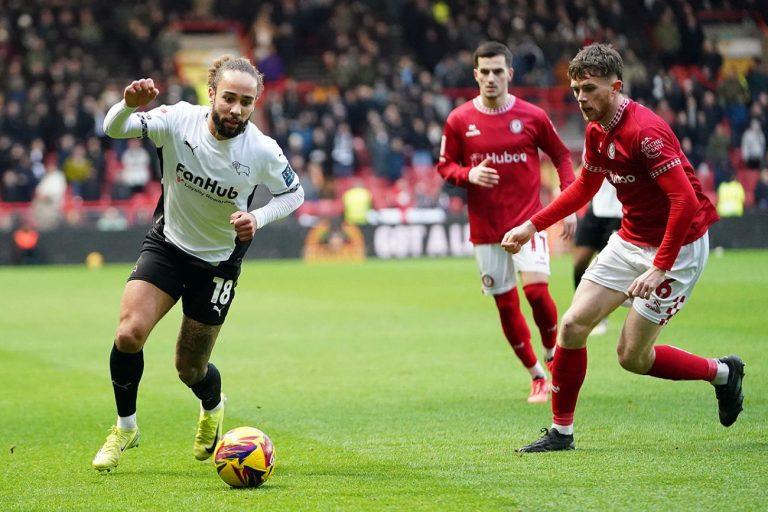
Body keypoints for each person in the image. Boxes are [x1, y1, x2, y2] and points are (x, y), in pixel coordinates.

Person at [502, 43, 744, 452]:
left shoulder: (645, 133)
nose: (581, 98)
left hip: (679, 247)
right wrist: (532, 226)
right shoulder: (597, 130)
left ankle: (722, 373)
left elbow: (685, 202)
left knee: (632, 357)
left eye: (589, 89)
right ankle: (562, 433)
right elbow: (584, 187)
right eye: (576, 90)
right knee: (572, 326)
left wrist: (660, 266)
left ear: (615, 87)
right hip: (631, 239)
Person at [92, 56, 304, 471]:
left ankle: (212, 405)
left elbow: (293, 193)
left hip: (218, 265)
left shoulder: (262, 149)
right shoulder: (177, 121)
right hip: (168, 246)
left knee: (189, 369)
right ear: (211, 94)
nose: (237, 109)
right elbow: (114, 128)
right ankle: (125, 427)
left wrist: (257, 218)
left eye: (247, 102)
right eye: (229, 98)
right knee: (129, 333)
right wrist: (127, 105)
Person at [437, 41, 577, 403]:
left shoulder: (532, 116)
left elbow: (562, 156)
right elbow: (445, 166)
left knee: (536, 292)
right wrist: (468, 175)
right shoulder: (459, 120)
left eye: (497, 71)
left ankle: (552, 353)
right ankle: (537, 376)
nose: (491, 78)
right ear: (475, 74)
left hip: (528, 222)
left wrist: (569, 202)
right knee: (506, 305)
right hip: (486, 231)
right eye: (484, 71)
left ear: (510, 74)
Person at [572, 179, 622, 336]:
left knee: (603, 267)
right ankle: (579, 310)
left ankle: (600, 317)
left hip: (618, 212)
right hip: (595, 209)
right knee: (580, 263)